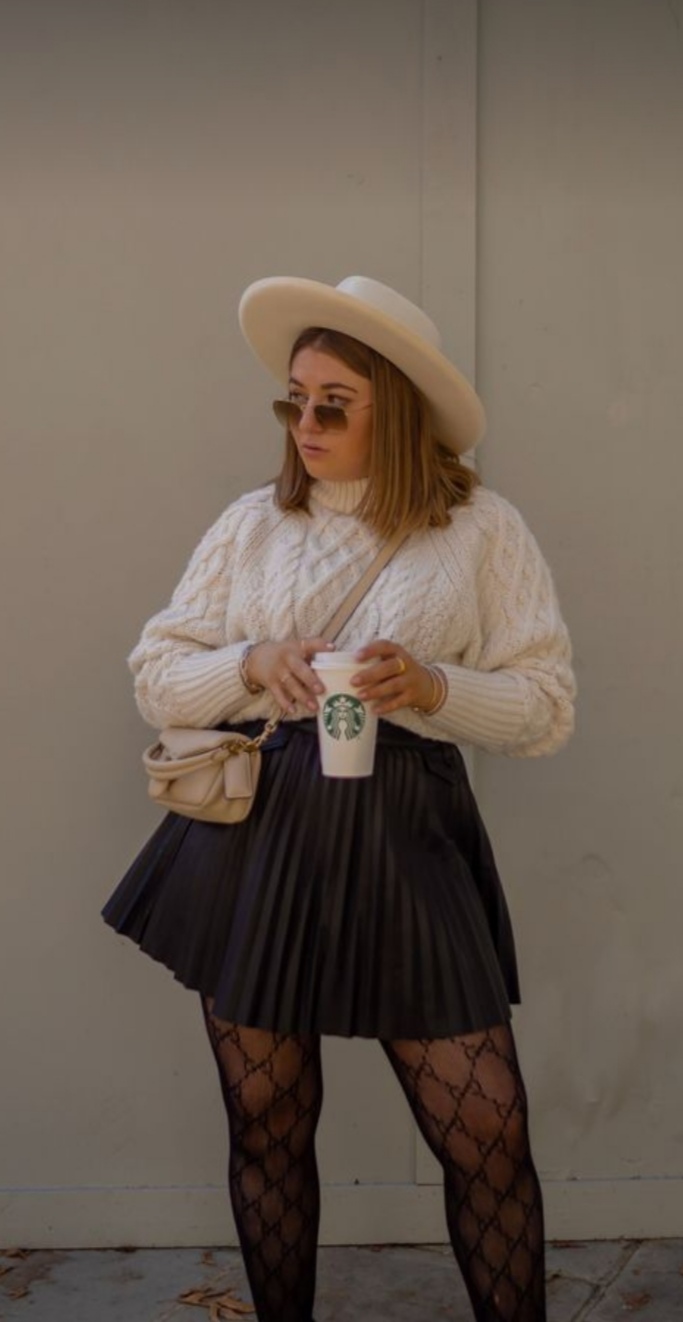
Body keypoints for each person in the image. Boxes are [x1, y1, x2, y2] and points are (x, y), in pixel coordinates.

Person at [102, 274, 575, 1322]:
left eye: (333, 403)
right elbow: (155, 675)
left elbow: (545, 708)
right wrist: (252, 662)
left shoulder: (479, 528)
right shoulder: (252, 524)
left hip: (407, 836)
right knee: (266, 1121)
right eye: (294, 399)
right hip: (260, 838)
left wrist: (435, 688)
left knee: (487, 1132)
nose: (304, 423)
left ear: (393, 409)